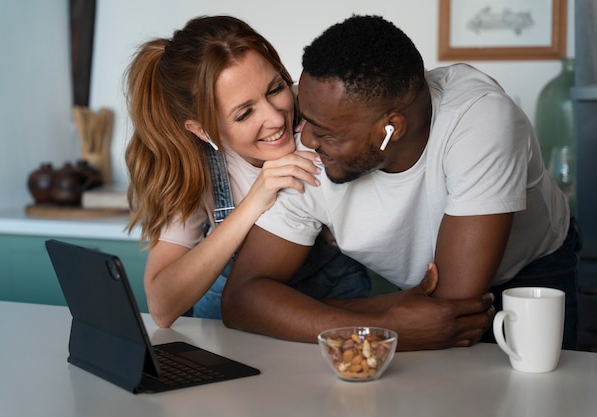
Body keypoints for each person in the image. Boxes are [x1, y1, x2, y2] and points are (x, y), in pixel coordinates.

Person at [221, 15, 580, 351]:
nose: (306, 139)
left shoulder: (480, 120)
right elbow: (241, 300)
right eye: (306, 117)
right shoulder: (314, 140)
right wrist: (386, 322)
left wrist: (312, 312)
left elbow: (452, 309)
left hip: (529, 275)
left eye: (325, 132)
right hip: (410, 293)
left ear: (389, 129)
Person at [123, 15, 373, 325]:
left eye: (275, 89)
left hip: (332, 303)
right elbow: (161, 307)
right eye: (244, 114)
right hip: (228, 314)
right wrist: (255, 201)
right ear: (203, 131)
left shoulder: (321, 114)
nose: (275, 118)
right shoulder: (193, 167)